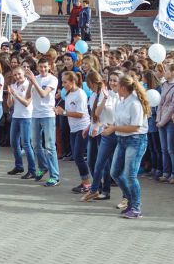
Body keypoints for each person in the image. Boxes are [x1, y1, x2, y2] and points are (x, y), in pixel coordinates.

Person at [106, 75, 150, 219]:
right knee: (115, 172)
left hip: (136, 141)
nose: (115, 87)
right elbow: (118, 121)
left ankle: (136, 208)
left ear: (123, 88)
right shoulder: (122, 101)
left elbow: (135, 127)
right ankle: (131, 201)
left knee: (130, 175)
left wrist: (114, 129)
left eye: (117, 85)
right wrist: (111, 127)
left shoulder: (135, 103)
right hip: (122, 140)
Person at [81, 70, 122, 201]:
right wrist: (90, 126)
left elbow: (118, 116)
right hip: (103, 132)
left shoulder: (122, 96)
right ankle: (97, 188)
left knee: (114, 168)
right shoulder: (105, 94)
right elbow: (96, 113)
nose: (112, 82)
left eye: (115, 80)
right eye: (111, 80)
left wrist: (99, 125)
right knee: (96, 163)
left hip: (115, 132)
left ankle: (121, 195)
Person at [25, 57, 60, 186]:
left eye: (45, 67)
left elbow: (43, 94)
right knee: (35, 144)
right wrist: (30, 83)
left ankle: (54, 176)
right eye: (41, 67)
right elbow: (28, 97)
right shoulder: (36, 78)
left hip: (48, 114)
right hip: (35, 114)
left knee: (49, 146)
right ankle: (43, 166)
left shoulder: (53, 79)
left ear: (49, 67)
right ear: (38, 67)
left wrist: (34, 81)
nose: (43, 69)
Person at [56, 71, 91, 193]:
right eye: (62, 82)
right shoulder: (68, 94)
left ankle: (87, 184)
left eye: (66, 82)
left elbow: (80, 114)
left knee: (78, 156)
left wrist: (63, 113)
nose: (63, 84)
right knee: (77, 157)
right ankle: (84, 182)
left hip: (83, 128)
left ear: (73, 81)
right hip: (73, 129)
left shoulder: (80, 94)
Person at [7, 66, 36, 178]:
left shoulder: (29, 85)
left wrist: (15, 94)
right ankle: (19, 166)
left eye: (19, 74)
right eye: (15, 75)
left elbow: (27, 103)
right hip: (16, 116)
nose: (17, 76)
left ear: (24, 74)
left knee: (26, 144)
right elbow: (10, 104)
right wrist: (10, 94)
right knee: (14, 142)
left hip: (26, 117)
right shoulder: (14, 85)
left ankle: (32, 170)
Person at [157, 63, 174, 183]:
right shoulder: (164, 84)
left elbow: (172, 106)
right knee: (163, 149)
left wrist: (162, 121)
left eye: (167, 70)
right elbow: (160, 103)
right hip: (161, 120)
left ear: (173, 72)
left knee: (171, 148)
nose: (164, 72)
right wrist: (158, 119)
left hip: (170, 121)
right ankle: (165, 172)